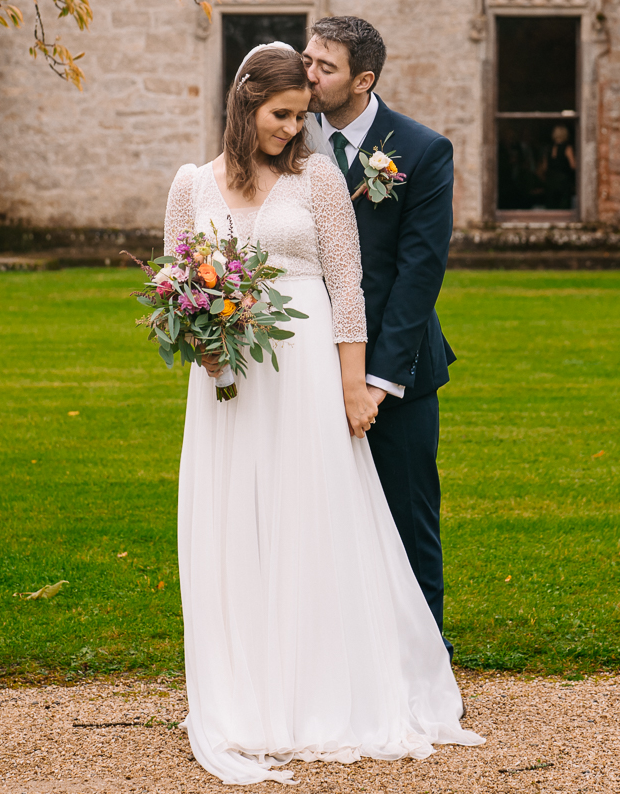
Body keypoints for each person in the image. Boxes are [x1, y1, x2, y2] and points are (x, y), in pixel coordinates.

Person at [164, 42, 481, 786]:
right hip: (229, 383)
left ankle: (326, 687)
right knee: (236, 527)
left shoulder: (321, 181)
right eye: (281, 115)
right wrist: (197, 340)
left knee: (313, 520)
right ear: (244, 104)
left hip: (306, 374)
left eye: (301, 116)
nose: (291, 128)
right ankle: (249, 691)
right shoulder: (190, 184)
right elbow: (178, 278)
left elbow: (348, 286)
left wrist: (352, 388)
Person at [302, 17, 458, 640]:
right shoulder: (285, 138)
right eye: (307, 59)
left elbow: (420, 274)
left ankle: (427, 664)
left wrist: (377, 381)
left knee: (406, 521)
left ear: (363, 80)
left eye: (325, 67)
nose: (309, 75)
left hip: (399, 370)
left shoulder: (420, 151)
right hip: (305, 361)